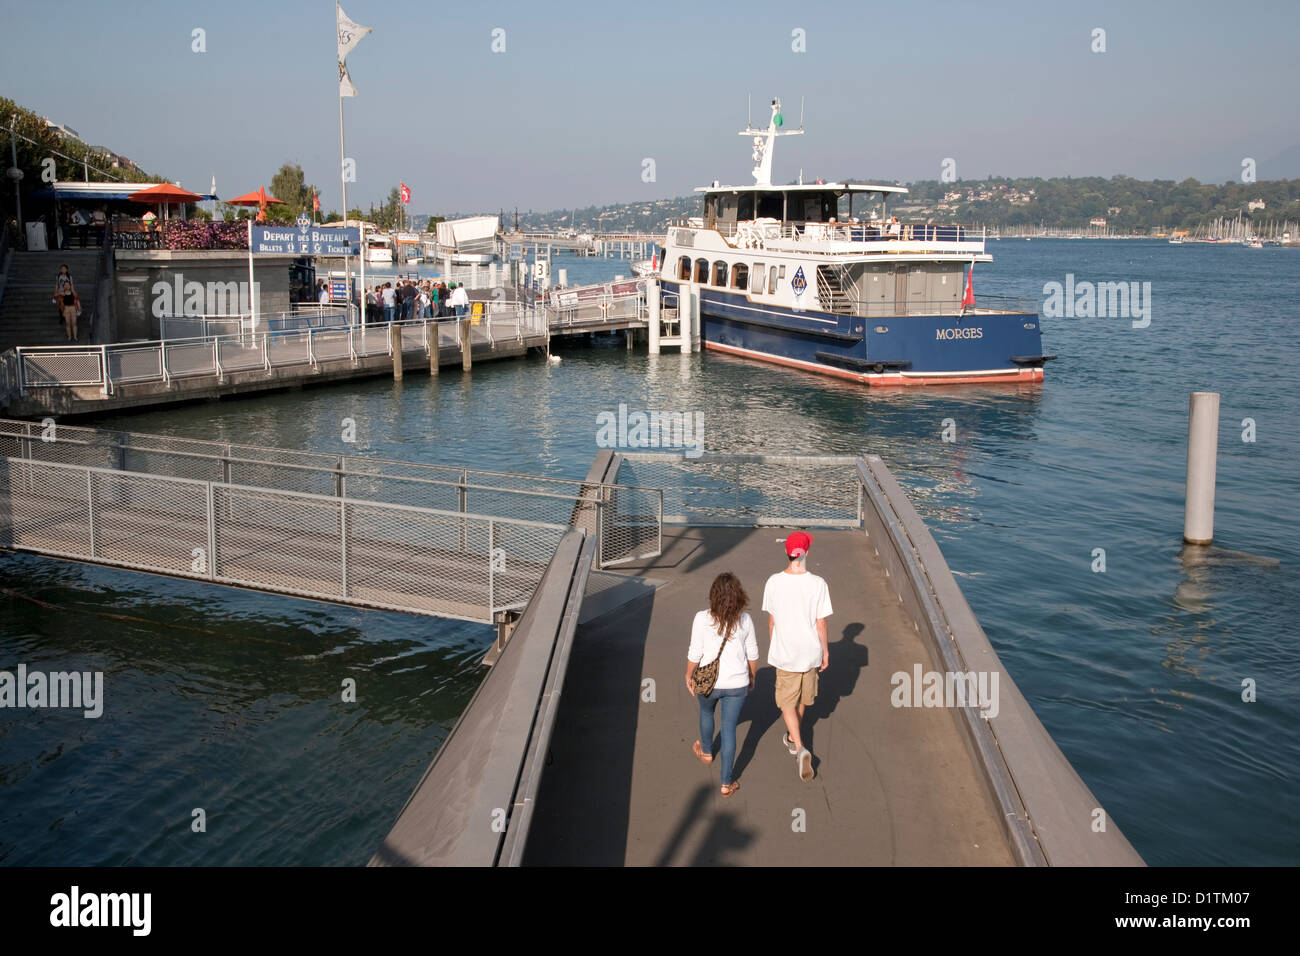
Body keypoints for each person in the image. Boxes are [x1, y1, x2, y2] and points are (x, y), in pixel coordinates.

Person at [762, 531, 832, 782]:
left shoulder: (773, 582)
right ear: (806, 553)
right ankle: (793, 738)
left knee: (785, 702)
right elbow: (820, 623)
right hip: (810, 651)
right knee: (802, 696)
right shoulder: (818, 584)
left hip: (786, 651)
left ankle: (800, 746)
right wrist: (825, 651)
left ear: (787, 553)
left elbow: (771, 621)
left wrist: (776, 647)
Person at [685, 572, 759, 797]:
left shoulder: (701, 618)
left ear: (713, 596)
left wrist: (689, 675)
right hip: (737, 683)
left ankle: (707, 752)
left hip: (709, 682)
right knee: (728, 729)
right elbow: (753, 652)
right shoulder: (745, 619)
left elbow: (695, 652)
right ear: (739, 596)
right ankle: (726, 783)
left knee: (706, 713)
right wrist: (752, 677)